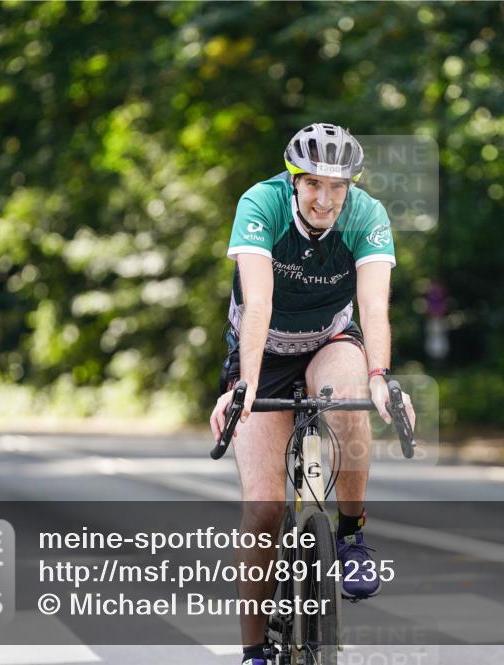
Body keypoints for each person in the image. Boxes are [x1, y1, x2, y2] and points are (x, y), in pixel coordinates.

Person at [209, 123, 416, 665]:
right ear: (293, 180)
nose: (325, 199)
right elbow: (257, 303)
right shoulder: (262, 203)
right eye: (313, 185)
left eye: (338, 187)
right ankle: (254, 650)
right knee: (264, 507)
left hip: (331, 339)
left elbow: (373, 306)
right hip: (264, 351)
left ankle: (351, 534)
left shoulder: (367, 216)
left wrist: (381, 377)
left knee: (352, 395)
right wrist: (244, 385)